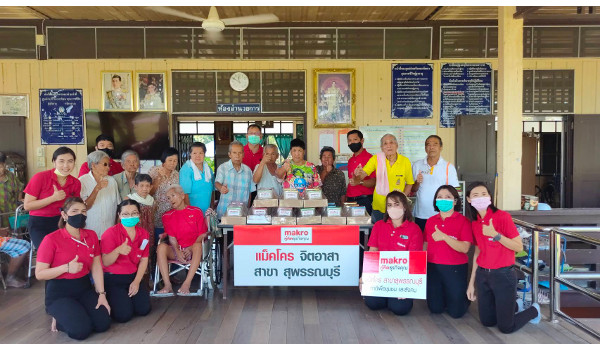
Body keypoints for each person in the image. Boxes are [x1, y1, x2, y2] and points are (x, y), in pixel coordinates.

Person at [465, 181, 541, 333]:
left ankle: (534, 310)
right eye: (475, 195)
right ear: (468, 199)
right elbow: (478, 252)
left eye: (484, 194)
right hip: (483, 275)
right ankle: (515, 306)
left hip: (503, 275)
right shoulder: (475, 223)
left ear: (490, 197)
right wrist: (471, 283)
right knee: (487, 322)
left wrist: (496, 235)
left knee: (506, 327)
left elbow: (519, 247)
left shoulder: (502, 217)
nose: (480, 197)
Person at [35, 197, 111, 340]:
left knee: (103, 324)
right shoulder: (51, 239)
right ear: (64, 215)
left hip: (84, 288)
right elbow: (39, 274)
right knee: (81, 331)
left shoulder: (92, 236)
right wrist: (66, 267)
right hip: (59, 293)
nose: (79, 215)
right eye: (74, 211)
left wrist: (102, 294)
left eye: (83, 211)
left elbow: (96, 266)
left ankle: (73, 313)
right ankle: (60, 318)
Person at [360, 191, 423, 316]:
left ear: (404, 207)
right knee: (372, 303)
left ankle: (392, 299)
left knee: (400, 309)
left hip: (402, 280)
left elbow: (414, 261)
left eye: (396, 204)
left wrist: (408, 287)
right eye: (389, 205)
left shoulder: (414, 229)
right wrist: (365, 277)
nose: (392, 208)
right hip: (381, 277)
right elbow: (373, 253)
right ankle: (387, 297)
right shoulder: (379, 226)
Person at [424, 185, 472, 318]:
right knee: (435, 309)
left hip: (455, 268)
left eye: (448, 197)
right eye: (440, 197)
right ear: (435, 201)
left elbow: (465, 248)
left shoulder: (464, 221)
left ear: (455, 201)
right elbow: (425, 244)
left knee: (456, 313)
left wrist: (445, 237)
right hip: (433, 267)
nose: (443, 200)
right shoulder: (430, 221)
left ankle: (463, 299)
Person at [101, 199, 151, 323]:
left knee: (144, 310)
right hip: (114, 279)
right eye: (126, 214)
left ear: (139, 214)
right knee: (123, 316)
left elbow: (144, 260)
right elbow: (105, 262)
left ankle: (125, 300)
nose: (130, 216)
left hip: (132, 277)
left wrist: (136, 282)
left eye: (134, 213)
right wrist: (117, 251)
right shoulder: (110, 233)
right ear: (119, 215)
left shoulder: (143, 234)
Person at [155, 185, 208, 295]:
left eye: (173, 196)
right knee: (161, 247)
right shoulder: (167, 215)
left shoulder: (196, 211)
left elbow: (202, 234)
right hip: (177, 250)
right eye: (169, 198)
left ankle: (187, 283)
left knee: (198, 245)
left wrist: (190, 248)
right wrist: (177, 251)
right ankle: (167, 285)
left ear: (182, 196)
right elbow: (172, 238)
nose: (171, 200)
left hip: (194, 248)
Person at [24, 147, 81, 248]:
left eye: (70, 161)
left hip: (62, 222)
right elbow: (27, 206)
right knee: (47, 252)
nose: (66, 165)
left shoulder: (76, 182)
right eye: (61, 161)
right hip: (39, 222)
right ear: (54, 162)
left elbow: (75, 206)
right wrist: (53, 198)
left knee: (66, 251)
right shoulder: (40, 177)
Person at [354, 134, 414, 223]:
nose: (389, 145)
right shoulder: (376, 159)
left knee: (396, 235)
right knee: (379, 234)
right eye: (385, 144)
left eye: (391, 142)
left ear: (396, 145)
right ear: (382, 148)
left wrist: (402, 199)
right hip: (379, 207)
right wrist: (358, 173)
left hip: (398, 207)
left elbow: (409, 183)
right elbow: (363, 174)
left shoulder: (405, 161)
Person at [412, 135, 459, 232]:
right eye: (428, 145)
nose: (431, 147)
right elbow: (412, 190)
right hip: (421, 213)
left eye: (435, 144)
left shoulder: (448, 167)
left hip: (442, 213)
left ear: (441, 147)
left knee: (441, 243)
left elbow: (455, 191)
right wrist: (417, 182)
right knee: (423, 244)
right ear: (425, 148)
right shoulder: (417, 165)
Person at [79, 150, 120, 239]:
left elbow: (118, 206)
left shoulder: (112, 181)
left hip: (109, 232)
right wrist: (97, 189)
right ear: (93, 165)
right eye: (105, 164)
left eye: (109, 165)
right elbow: (84, 207)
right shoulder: (82, 181)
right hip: (90, 231)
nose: (108, 168)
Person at [215, 141, 253, 219]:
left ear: (243, 154)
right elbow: (217, 183)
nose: (237, 156)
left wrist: (248, 209)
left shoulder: (248, 170)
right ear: (229, 154)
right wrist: (221, 188)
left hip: (242, 214)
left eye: (240, 153)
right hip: (224, 213)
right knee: (225, 231)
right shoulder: (223, 168)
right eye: (234, 153)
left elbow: (250, 192)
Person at [149, 147, 179, 242]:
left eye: (175, 161)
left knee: (170, 242)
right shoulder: (154, 171)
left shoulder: (176, 174)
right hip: (157, 214)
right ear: (164, 160)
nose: (173, 163)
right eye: (170, 160)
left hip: (172, 215)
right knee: (157, 241)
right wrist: (159, 178)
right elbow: (149, 192)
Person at [179, 142, 214, 214]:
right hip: (192, 213)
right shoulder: (186, 169)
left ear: (204, 154)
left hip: (207, 212)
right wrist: (190, 212)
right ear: (190, 154)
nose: (198, 156)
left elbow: (212, 190)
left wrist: (211, 208)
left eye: (201, 153)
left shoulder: (208, 169)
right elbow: (184, 194)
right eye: (194, 153)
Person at [346, 130, 375, 215]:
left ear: (362, 141)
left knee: (364, 227)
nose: (352, 142)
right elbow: (352, 181)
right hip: (350, 200)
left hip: (365, 200)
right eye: (349, 140)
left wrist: (360, 182)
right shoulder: (350, 160)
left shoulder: (371, 159)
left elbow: (374, 181)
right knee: (352, 227)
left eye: (355, 139)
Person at [0, 152, 24, 227]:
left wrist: (20, 198)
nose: (1, 169)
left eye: (2, 166)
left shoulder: (10, 176)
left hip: (11, 212)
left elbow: (20, 187)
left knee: (13, 234)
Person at [243, 124, 263, 204]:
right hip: (243, 187)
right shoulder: (240, 152)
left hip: (260, 187)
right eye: (251, 133)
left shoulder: (265, 152)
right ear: (247, 136)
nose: (253, 135)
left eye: (256, 133)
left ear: (261, 136)